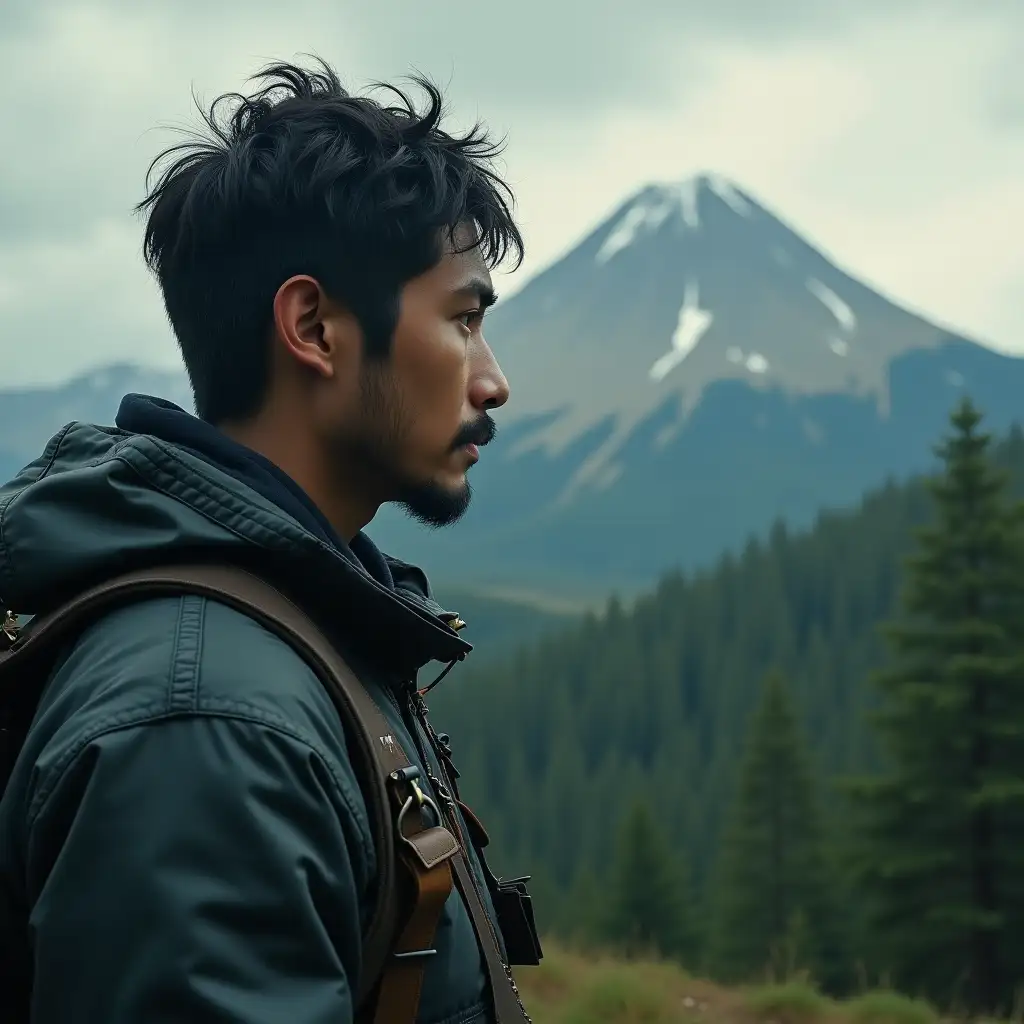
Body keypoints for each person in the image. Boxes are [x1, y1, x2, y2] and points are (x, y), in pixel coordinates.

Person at [0, 58, 528, 1022]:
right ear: (315, 327)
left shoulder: (294, 634)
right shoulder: (208, 715)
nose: (493, 382)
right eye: (462, 319)